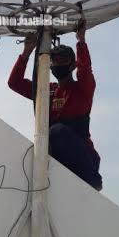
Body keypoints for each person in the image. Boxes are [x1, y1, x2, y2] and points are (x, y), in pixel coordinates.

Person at [7, 23, 102, 191]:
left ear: (72, 65)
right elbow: (14, 83)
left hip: (84, 159)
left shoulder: (82, 89)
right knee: (46, 139)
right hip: (59, 157)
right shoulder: (47, 91)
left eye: (62, 60)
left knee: (56, 132)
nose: (57, 64)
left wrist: (81, 41)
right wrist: (27, 52)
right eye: (54, 61)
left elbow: (85, 69)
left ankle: (93, 182)